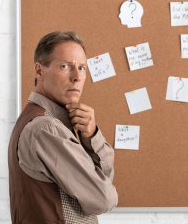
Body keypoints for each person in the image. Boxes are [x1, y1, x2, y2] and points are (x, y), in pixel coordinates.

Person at [8, 31, 118, 224]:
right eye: (65, 66)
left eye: (82, 68)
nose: (76, 77)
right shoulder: (46, 129)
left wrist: (92, 136)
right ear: (40, 71)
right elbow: (104, 199)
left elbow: (103, 182)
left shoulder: (46, 122)